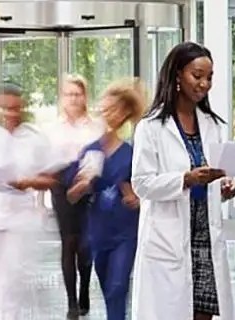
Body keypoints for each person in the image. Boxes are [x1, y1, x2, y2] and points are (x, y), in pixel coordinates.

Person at [130, 42, 235, 320]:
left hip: (204, 240)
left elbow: (214, 173)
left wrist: (223, 187)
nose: (204, 83)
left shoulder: (212, 124)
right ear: (177, 75)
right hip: (169, 241)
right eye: (197, 75)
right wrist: (185, 180)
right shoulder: (151, 127)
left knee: (204, 314)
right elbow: (141, 184)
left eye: (209, 77)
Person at [0, 83, 59, 320]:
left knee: (13, 274)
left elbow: (51, 178)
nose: (10, 113)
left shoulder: (33, 137)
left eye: (14, 108)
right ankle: (5, 314)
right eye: (4, 108)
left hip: (21, 213)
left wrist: (28, 181)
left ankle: (11, 315)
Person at [63, 79, 145, 320]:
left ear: (126, 113)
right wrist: (82, 185)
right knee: (109, 290)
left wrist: (135, 198)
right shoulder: (90, 150)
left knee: (118, 287)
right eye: (104, 109)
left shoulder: (133, 152)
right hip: (98, 232)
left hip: (125, 232)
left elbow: (144, 192)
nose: (108, 114)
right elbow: (70, 194)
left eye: (114, 110)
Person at [46, 75, 105, 318]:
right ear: (62, 98)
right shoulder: (53, 129)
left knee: (84, 244)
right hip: (61, 187)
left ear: (84, 97)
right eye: (68, 94)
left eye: (77, 94)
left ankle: (84, 290)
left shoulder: (95, 126)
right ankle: (71, 302)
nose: (73, 99)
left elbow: (100, 156)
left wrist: (86, 181)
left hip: (88, 185)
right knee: (68, 242)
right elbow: (47, 162)